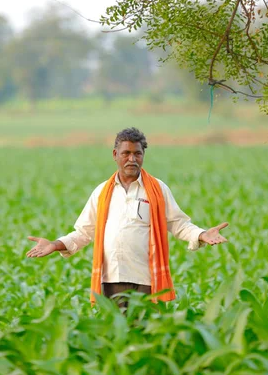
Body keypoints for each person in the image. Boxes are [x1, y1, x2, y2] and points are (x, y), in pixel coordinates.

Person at [26, 127, 229, 307]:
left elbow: (178, 224)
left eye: (137, 154)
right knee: (116, 338)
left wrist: (202, 234)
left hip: (148, 280)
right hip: (112, 279)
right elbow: (84, 233)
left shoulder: (158, 190)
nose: (132, 159)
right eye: (126, 153)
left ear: (143, 156)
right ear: (115, 155)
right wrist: (54, 244)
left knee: (146, 336)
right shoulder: (102, 192)